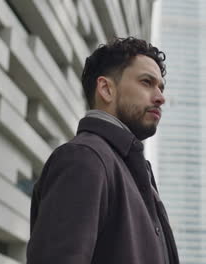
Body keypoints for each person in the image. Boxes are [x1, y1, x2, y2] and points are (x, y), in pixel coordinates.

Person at [26, 37, 179, 264]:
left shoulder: (132, 171)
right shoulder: (84, 159)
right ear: (106, 89)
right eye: (147, 82)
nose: (160, 97)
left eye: (161, 87)